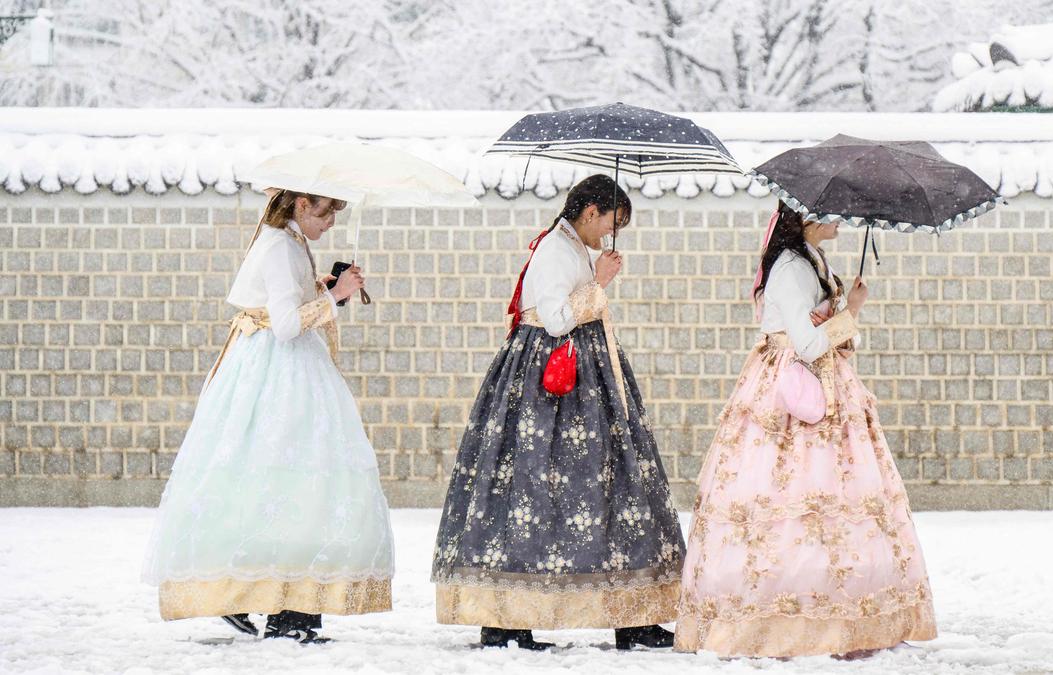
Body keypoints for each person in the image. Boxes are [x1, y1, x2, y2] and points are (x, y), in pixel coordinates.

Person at [432, 174, 684, 651]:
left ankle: (634, 612)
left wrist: (594, 279)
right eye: (611, 223)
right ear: (590, 212)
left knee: (615, 483)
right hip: (549, 383)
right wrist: (601, 283)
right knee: (534, 486)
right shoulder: (554, 249)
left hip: (585, 376)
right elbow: (554, 319)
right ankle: (507, 618)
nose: (609, 235)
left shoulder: (571, 249)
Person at [674, 203, 937, 659]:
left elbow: (828, 336)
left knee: (832, 500)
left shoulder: (814, 260)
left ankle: (836, 609)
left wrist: (844, 309)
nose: (843, 221)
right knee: (784, 496)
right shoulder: (791, 268)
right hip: (790, 390)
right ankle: (779, 617)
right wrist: (846, 314)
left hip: (822, 382)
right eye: (833, 214)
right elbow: (809, 342)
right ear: (806, 220)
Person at [142, 190, 395, 643]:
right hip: (279, 375)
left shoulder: (291, 240)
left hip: (289, 369)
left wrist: (327, 287)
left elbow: (291, 302)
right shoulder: (279, 244)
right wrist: (335, 295)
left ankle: (280, 603)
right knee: (286, 478)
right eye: (325, 212)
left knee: (288, 483)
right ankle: (276, 606)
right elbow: (284, 325)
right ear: (300, 205)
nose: (331, 222)